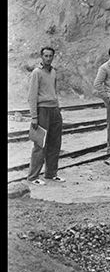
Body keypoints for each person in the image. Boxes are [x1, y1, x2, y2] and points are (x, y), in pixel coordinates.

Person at [26, 46, 64, 185]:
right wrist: (34, 116)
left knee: (55, 143)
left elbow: (54, 91)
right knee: (39, 144)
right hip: (42, 111)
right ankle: (33, 177)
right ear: (41, 57)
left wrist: (58, 108)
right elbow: (32, 96)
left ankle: (51, 173)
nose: (48, 58)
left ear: (53, 57)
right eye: (46, 56)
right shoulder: (36, 73)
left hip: (54, 110)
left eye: (50, 56)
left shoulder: (53, 71)